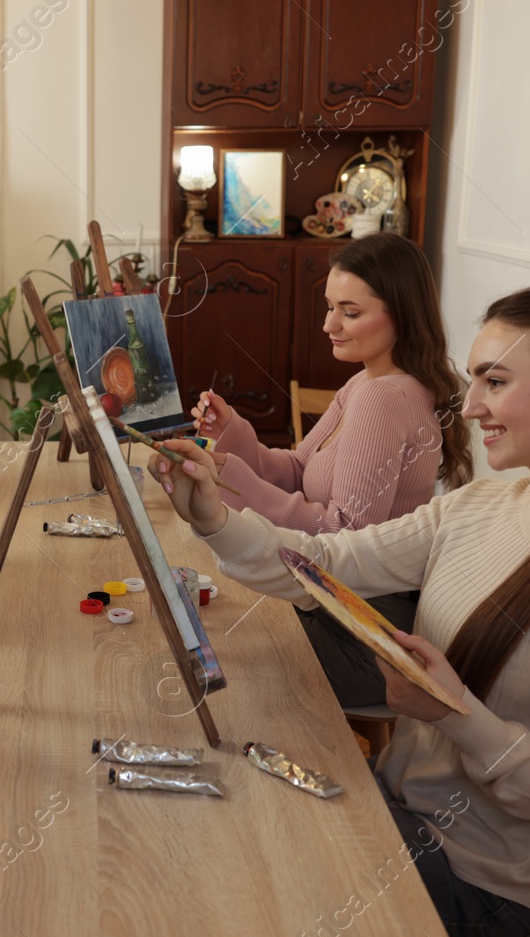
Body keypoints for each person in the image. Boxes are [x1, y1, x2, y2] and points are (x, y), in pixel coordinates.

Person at [152, 281, 530, 937]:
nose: (470, 406)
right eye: (473, 381)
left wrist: (457, 716)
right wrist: (215, 519)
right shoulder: (484, 504)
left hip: (491, 897)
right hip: (401, 808)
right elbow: (331, 564)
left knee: (241, 900)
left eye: (495, 381)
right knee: (226, 827)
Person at [191, 233, 472, 705]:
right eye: (329, 307)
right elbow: (300, 471)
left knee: (210, 654)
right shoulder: (365, 382)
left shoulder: (387, 398)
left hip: (364, 635)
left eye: (350, 311)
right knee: (204, 623)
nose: (328, 325)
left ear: (400, 314)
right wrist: (234, 432)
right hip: (334, 604)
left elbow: (347, 531)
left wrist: (228, 475)